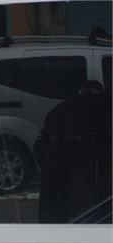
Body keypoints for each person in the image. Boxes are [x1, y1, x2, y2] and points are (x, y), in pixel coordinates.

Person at [34, 80, 112, 223]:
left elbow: (39, 145)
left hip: (69, 178)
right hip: (103, 178)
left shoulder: (60, 110)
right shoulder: (107, 107)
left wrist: (50, 169)